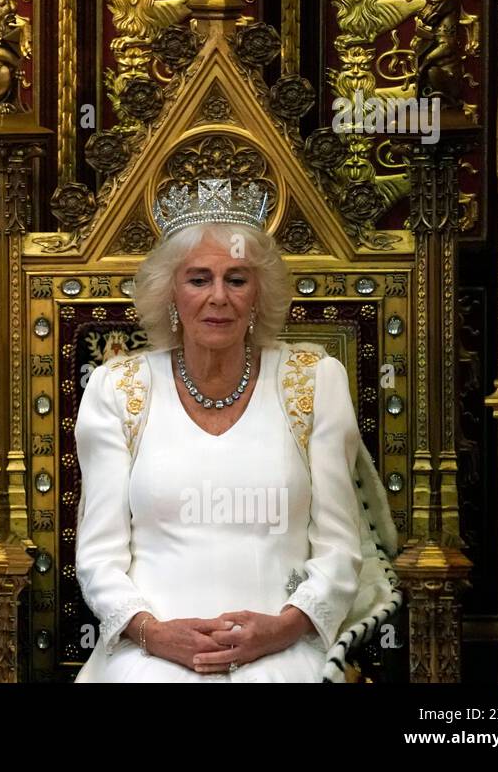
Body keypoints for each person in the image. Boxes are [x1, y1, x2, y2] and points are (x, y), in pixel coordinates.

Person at [74, 177, 398, 682]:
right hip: (148, 652)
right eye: (199, 279)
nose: (218, 297)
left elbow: (339, 547)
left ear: (258, 293)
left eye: (237, 279)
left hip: (285, 645)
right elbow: (98, 556)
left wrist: (285, 628)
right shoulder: (117, 389)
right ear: (170, 293)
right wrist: (153, 633)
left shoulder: (313, 380)